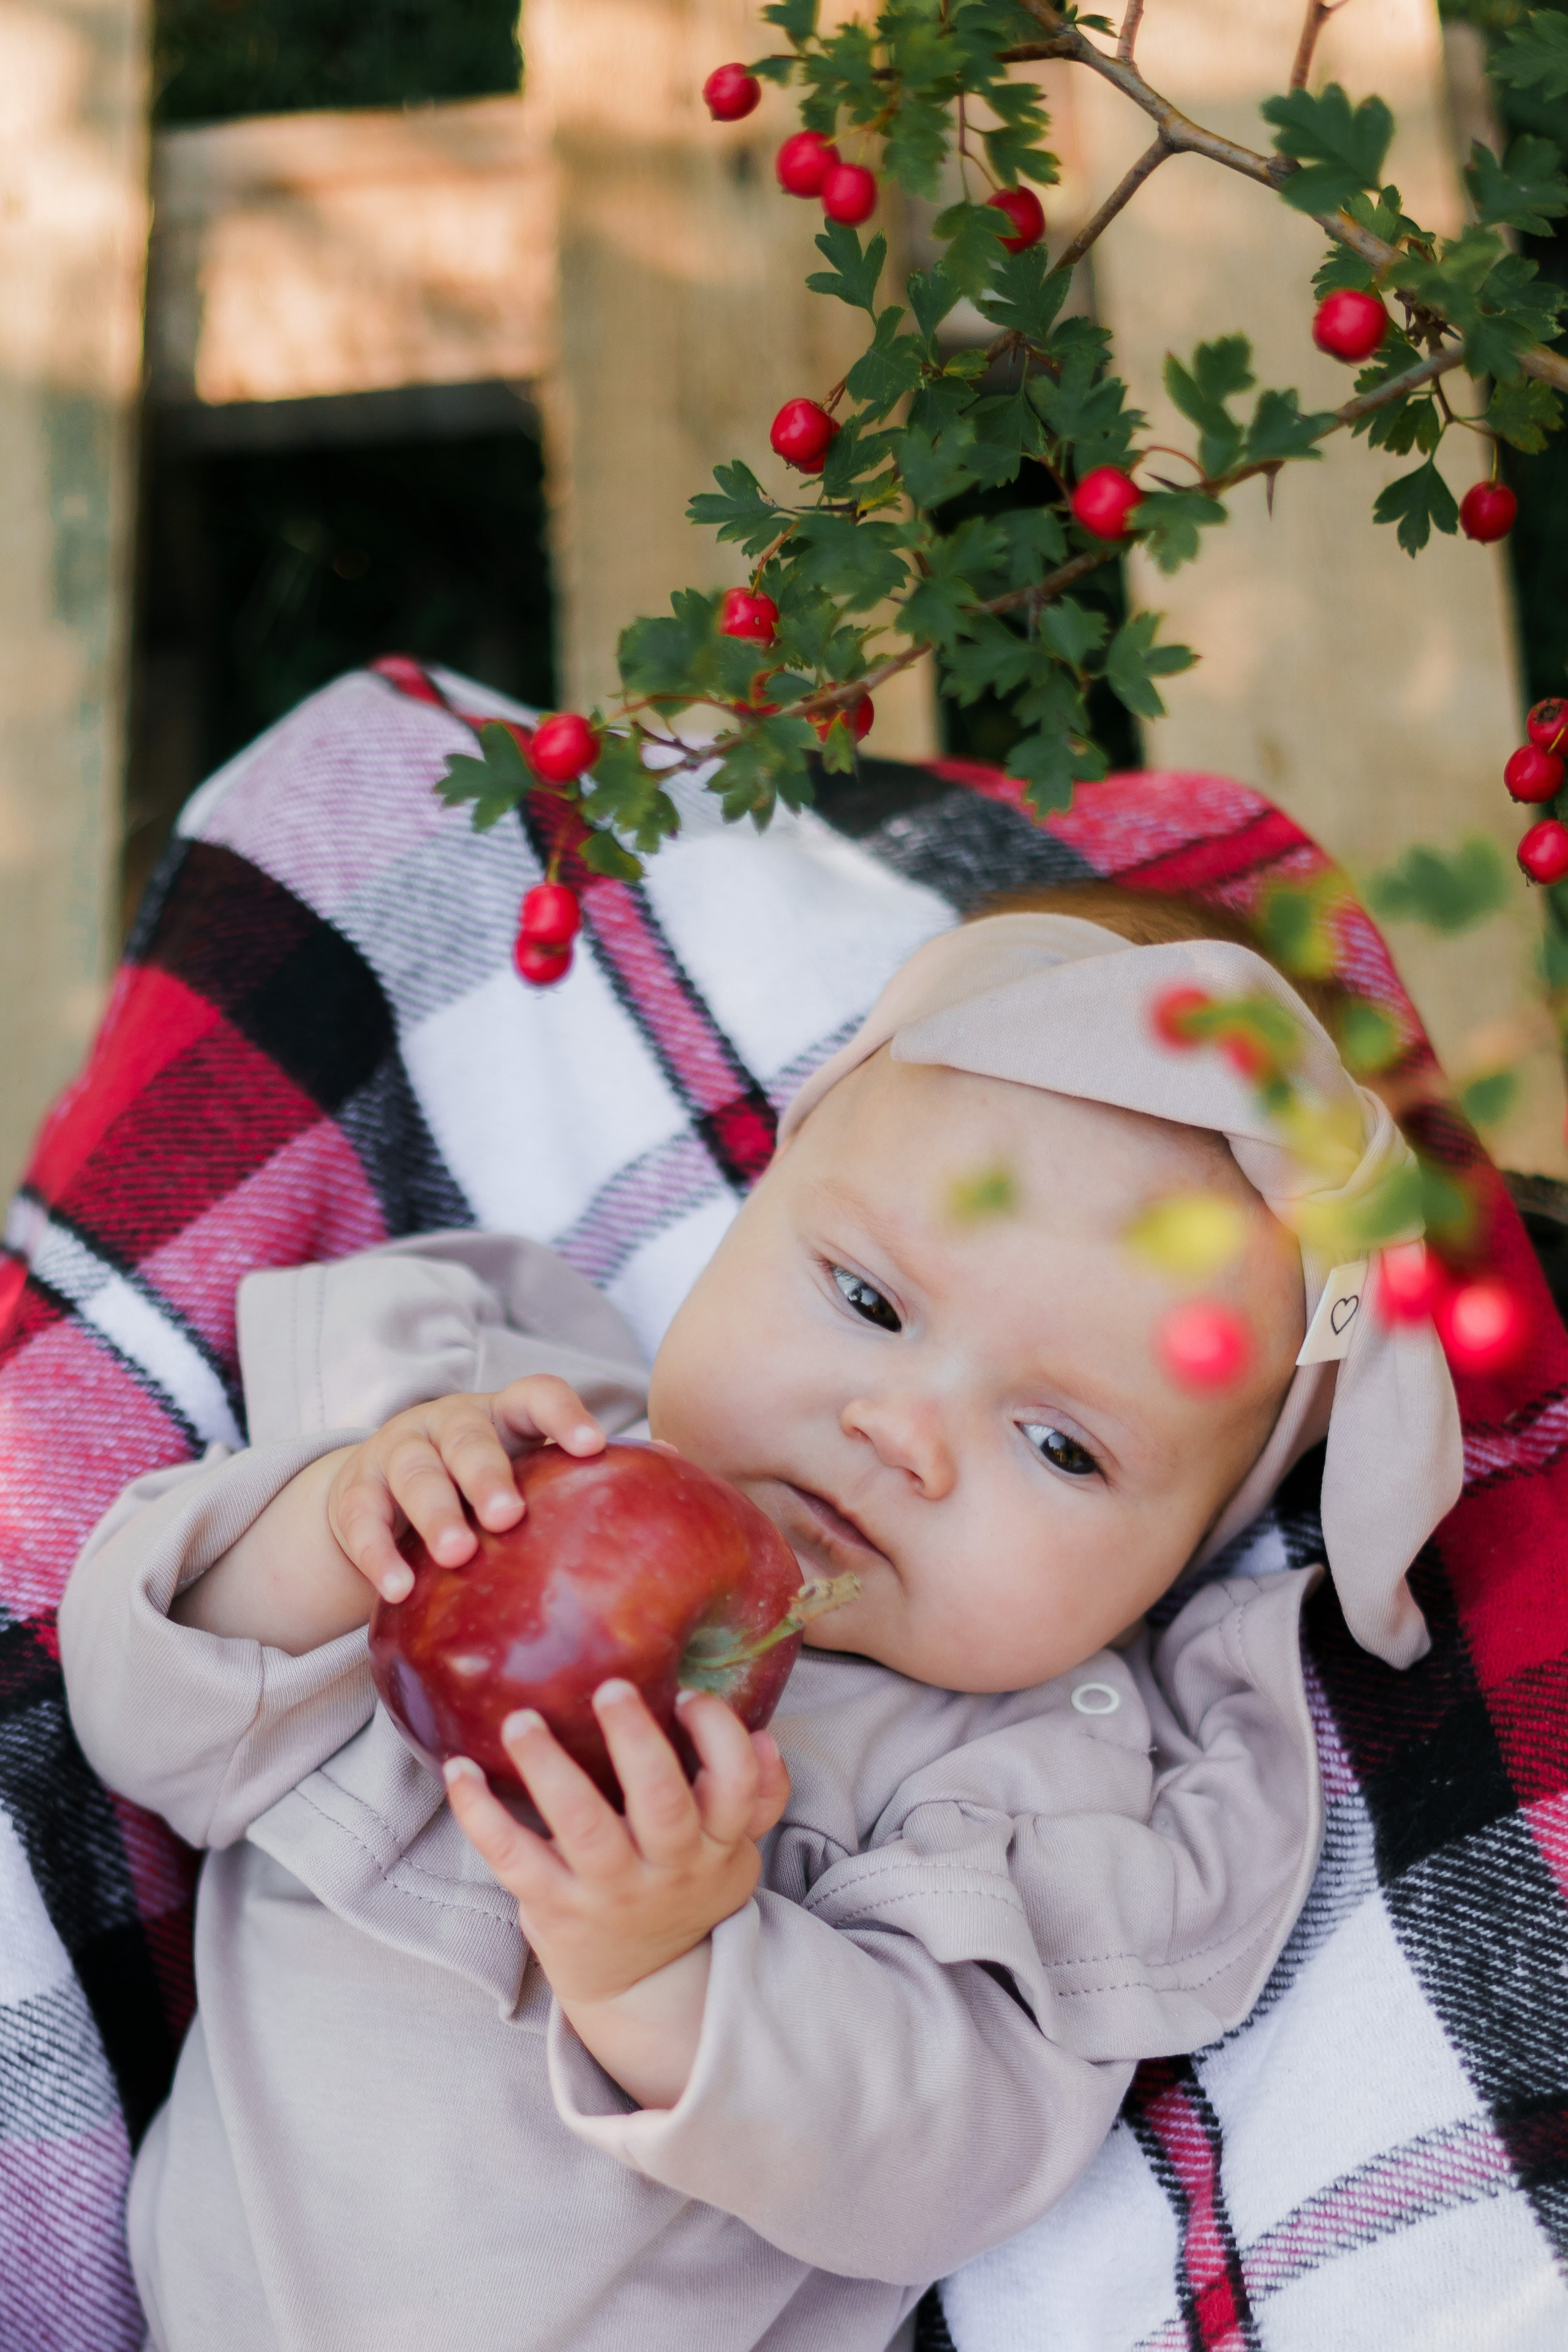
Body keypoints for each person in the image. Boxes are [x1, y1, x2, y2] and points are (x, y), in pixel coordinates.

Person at [58, 898, 1461, 2352]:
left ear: (1184, 1557)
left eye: (1061, 1448)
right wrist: (338, 1532)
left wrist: (666, 1962)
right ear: (759, 1200)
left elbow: (941, 2162)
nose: (902, 1433)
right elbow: (137, 1719)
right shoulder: (502, 1464)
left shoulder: (1031, 1791)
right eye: (865, 1297)